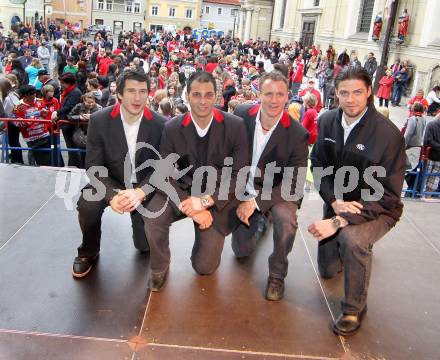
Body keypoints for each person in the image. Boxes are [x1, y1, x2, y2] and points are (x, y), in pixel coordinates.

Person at [308, 67, 406, 336]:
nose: (350, 99)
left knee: (352, 240)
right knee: (328, 271)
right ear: (336, 94)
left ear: (369, 92)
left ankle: (354, 308)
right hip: (339, 201)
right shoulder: (327, 120)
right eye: (344, 93)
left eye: (357, 92)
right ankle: (344, 253)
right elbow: (318, 164)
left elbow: (387, 195)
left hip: (377, 209)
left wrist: (341, 219)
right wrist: (334, 201)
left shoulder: (388, 135)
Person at [143, 71, 249, 292]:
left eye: (208, 95)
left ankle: (204, 244)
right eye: (197, 95)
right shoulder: (172, 127)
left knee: (205, 267)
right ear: (187, 96)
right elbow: (163, 171)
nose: (202, 101)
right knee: (153, 215)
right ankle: (159, 266)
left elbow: (240, 174)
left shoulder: (235, 126)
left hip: (217, 196)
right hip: (180, 190)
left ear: (217, 97)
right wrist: (191, 205)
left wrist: (205, 201)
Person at [72, 70, 166, 278]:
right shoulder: (99, 120)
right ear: (120, 94)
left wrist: (141, 192)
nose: (137, 97)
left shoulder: (160, 123)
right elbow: (94, 166)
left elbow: (162, 167)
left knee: (144, 246)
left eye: (142, 91)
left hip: (144, 185)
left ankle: (141, 227)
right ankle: (88, 251)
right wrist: (112, 197)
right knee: (88, 204)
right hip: (112, 180)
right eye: (131, 91)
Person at [231, 71, 309, 300]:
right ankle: (262, 221)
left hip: (277, 192)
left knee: (286, 220)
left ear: (288, 97)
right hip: (242, 186)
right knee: (241, 251)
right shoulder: (242, 115)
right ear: (259, 94)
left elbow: (293, 182)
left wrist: (255, 202)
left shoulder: (297, 134)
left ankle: (277, 274)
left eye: (280, 94)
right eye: (268, 94)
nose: (274, 100)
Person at [13, 85, 52, 166]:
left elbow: (48, 116)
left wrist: (46, 114)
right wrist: (26, 122)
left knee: (46, 158)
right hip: (30, 137)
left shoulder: (40, 101)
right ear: (25, 95)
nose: (34, 95)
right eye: (31, 93)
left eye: (35, 93)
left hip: (44, 134)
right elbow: (15, 122)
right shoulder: (18, 106)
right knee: (33, 156)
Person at [51, 72, 83, 167]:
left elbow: (69, 107)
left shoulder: (75, 93)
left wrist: (57, 112)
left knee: (72, 148)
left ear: (69, 83)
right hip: (66, 124)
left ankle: (76, 166)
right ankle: (72, 165)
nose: (61, 85)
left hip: (71, 125)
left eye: (63, 83)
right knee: (70, 148)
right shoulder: (68, 91)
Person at [67, 92, 103, 168]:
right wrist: (79, 117)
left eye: (92, 102)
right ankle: (82, 168)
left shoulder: (99, 108)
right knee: (82, 154)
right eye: (88, 103)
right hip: (81, 135)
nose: (90, 104)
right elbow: (70, 116)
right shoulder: (79, 106)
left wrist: (92, 117)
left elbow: (103, 119)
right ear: (84, 101)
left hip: (94, 135)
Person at [423, 113, 440, 195]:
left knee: (424, 177)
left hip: (429, 156)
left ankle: (422, 196)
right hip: (434, 157)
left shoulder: (431, 124)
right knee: (434, 179)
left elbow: (427, 141)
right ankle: (427, 196)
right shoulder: (432, 125)